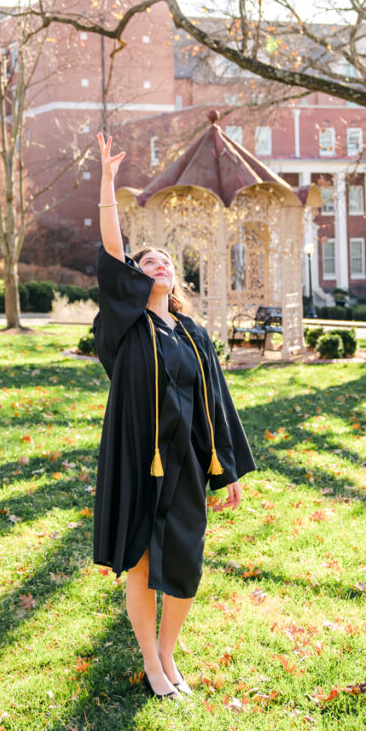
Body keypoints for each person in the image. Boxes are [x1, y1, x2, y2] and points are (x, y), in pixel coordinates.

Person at [92, 133, 256, 700]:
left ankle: (166, 656)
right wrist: (107, 188)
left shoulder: (193, 333)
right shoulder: (124, 329)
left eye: (162, 259)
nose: (154, 263)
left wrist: (227, 468)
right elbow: (114, 255)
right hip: (138, 456)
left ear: (174, 278)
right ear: (133, 281)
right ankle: (152, 666)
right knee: (139, 565)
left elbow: (217, 403)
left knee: (184, 564)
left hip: (184, 460)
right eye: (144, 261)